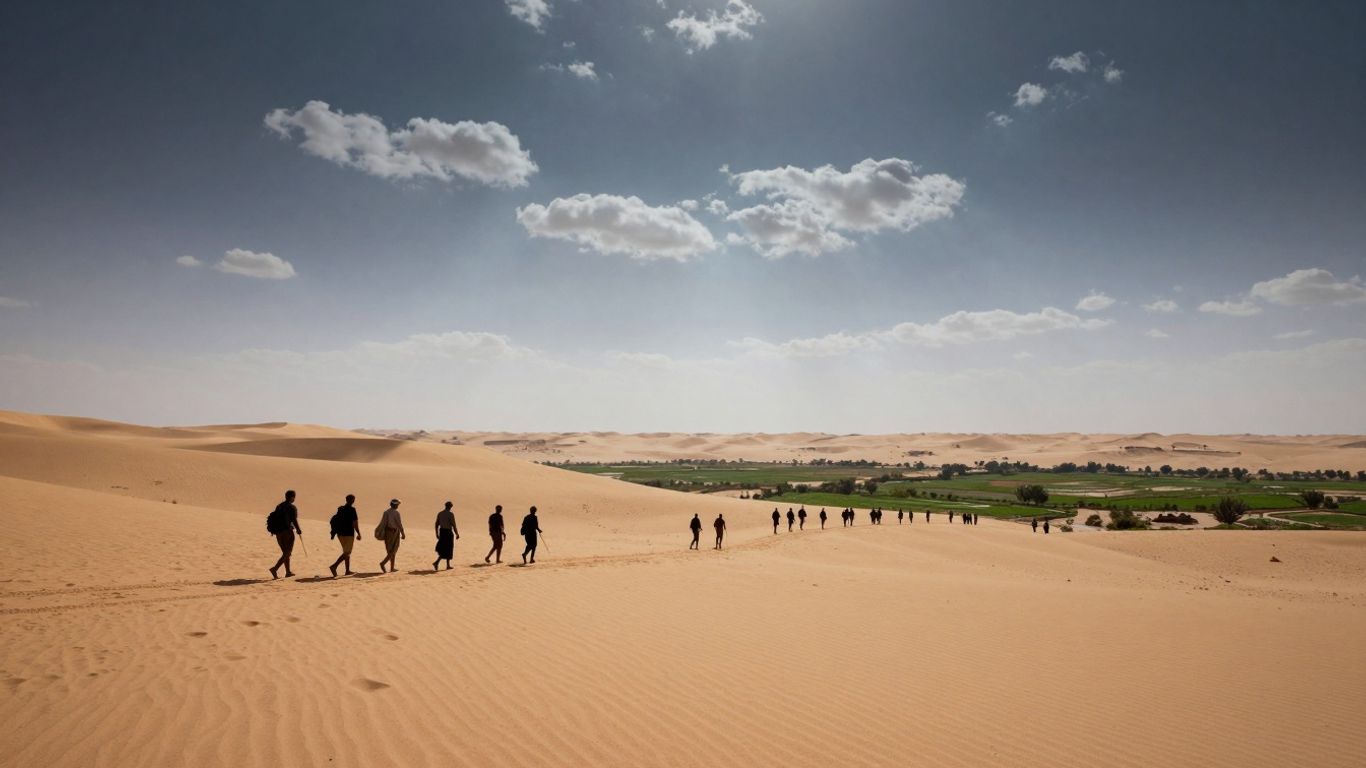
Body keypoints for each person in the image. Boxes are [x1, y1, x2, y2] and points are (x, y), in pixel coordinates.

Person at [268, 489, 303, 580]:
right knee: (288, 552)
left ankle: (288, 572)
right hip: (287, 532)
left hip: (278, 533)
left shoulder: (279, 506)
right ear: (292, 497)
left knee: (285, 553)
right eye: (294, 497)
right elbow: (294, 520)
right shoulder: (292, 507)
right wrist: (298, 529)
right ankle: (275, 569)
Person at [328, 493, 361, 578]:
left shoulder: (340, 509)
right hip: (348, 534)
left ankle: (347, 571)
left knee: (346, 552)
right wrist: (359, 533)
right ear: (353, 500)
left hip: (340, 534)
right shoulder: (352, 510)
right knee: (347, 552)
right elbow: (355, 523)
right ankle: (334, 566)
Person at [376, 499, 405, 573]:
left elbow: (383, 523)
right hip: (394, 532)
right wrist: (403, 533)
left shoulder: (386, 512)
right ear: (394, 505)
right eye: (397, 504)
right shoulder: (396, 513)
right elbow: (399, 524)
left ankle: (392, 568)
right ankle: (383, 563)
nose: (398, 506)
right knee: (393, 550)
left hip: (387, 533)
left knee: (390, 550)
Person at [433, 501, 460, 571]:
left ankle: (447, 565)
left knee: (444, 548)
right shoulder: (450, 514)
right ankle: (437, 562)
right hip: (448, 532)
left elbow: (436, 524)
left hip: (442, 532)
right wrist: (457, 533)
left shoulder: (440, 513)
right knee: (448, 549)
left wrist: (437, 533)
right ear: (450, 506)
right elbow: (454, 525)